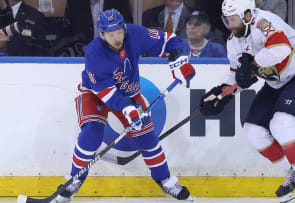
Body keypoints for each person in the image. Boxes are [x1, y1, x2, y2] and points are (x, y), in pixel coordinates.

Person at [55, 8, 195, 202]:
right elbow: (106, 93)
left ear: (124, 28)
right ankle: (74, 180)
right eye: (111, 35)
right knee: (92, 134)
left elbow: (168, 40)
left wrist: (179, 58)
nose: (117, 38)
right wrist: (129, 109)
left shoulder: (135, 34)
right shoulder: (94, 52)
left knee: (147, 137)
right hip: (95, 93)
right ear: (102, 34)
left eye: (119, 32)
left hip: (127, 92)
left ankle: (166, 181)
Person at [199, 0, 295, 202]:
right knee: (253, 131)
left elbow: (281, 49)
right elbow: (236, 75)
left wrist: (252, 63)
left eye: (234, 19)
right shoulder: (233, 41)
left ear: (248, 15)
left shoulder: (264, 22)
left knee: (281, 125)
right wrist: (220, 94)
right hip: (277, 82)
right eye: (227, 20)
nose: (231, 24)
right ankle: (293, 171)